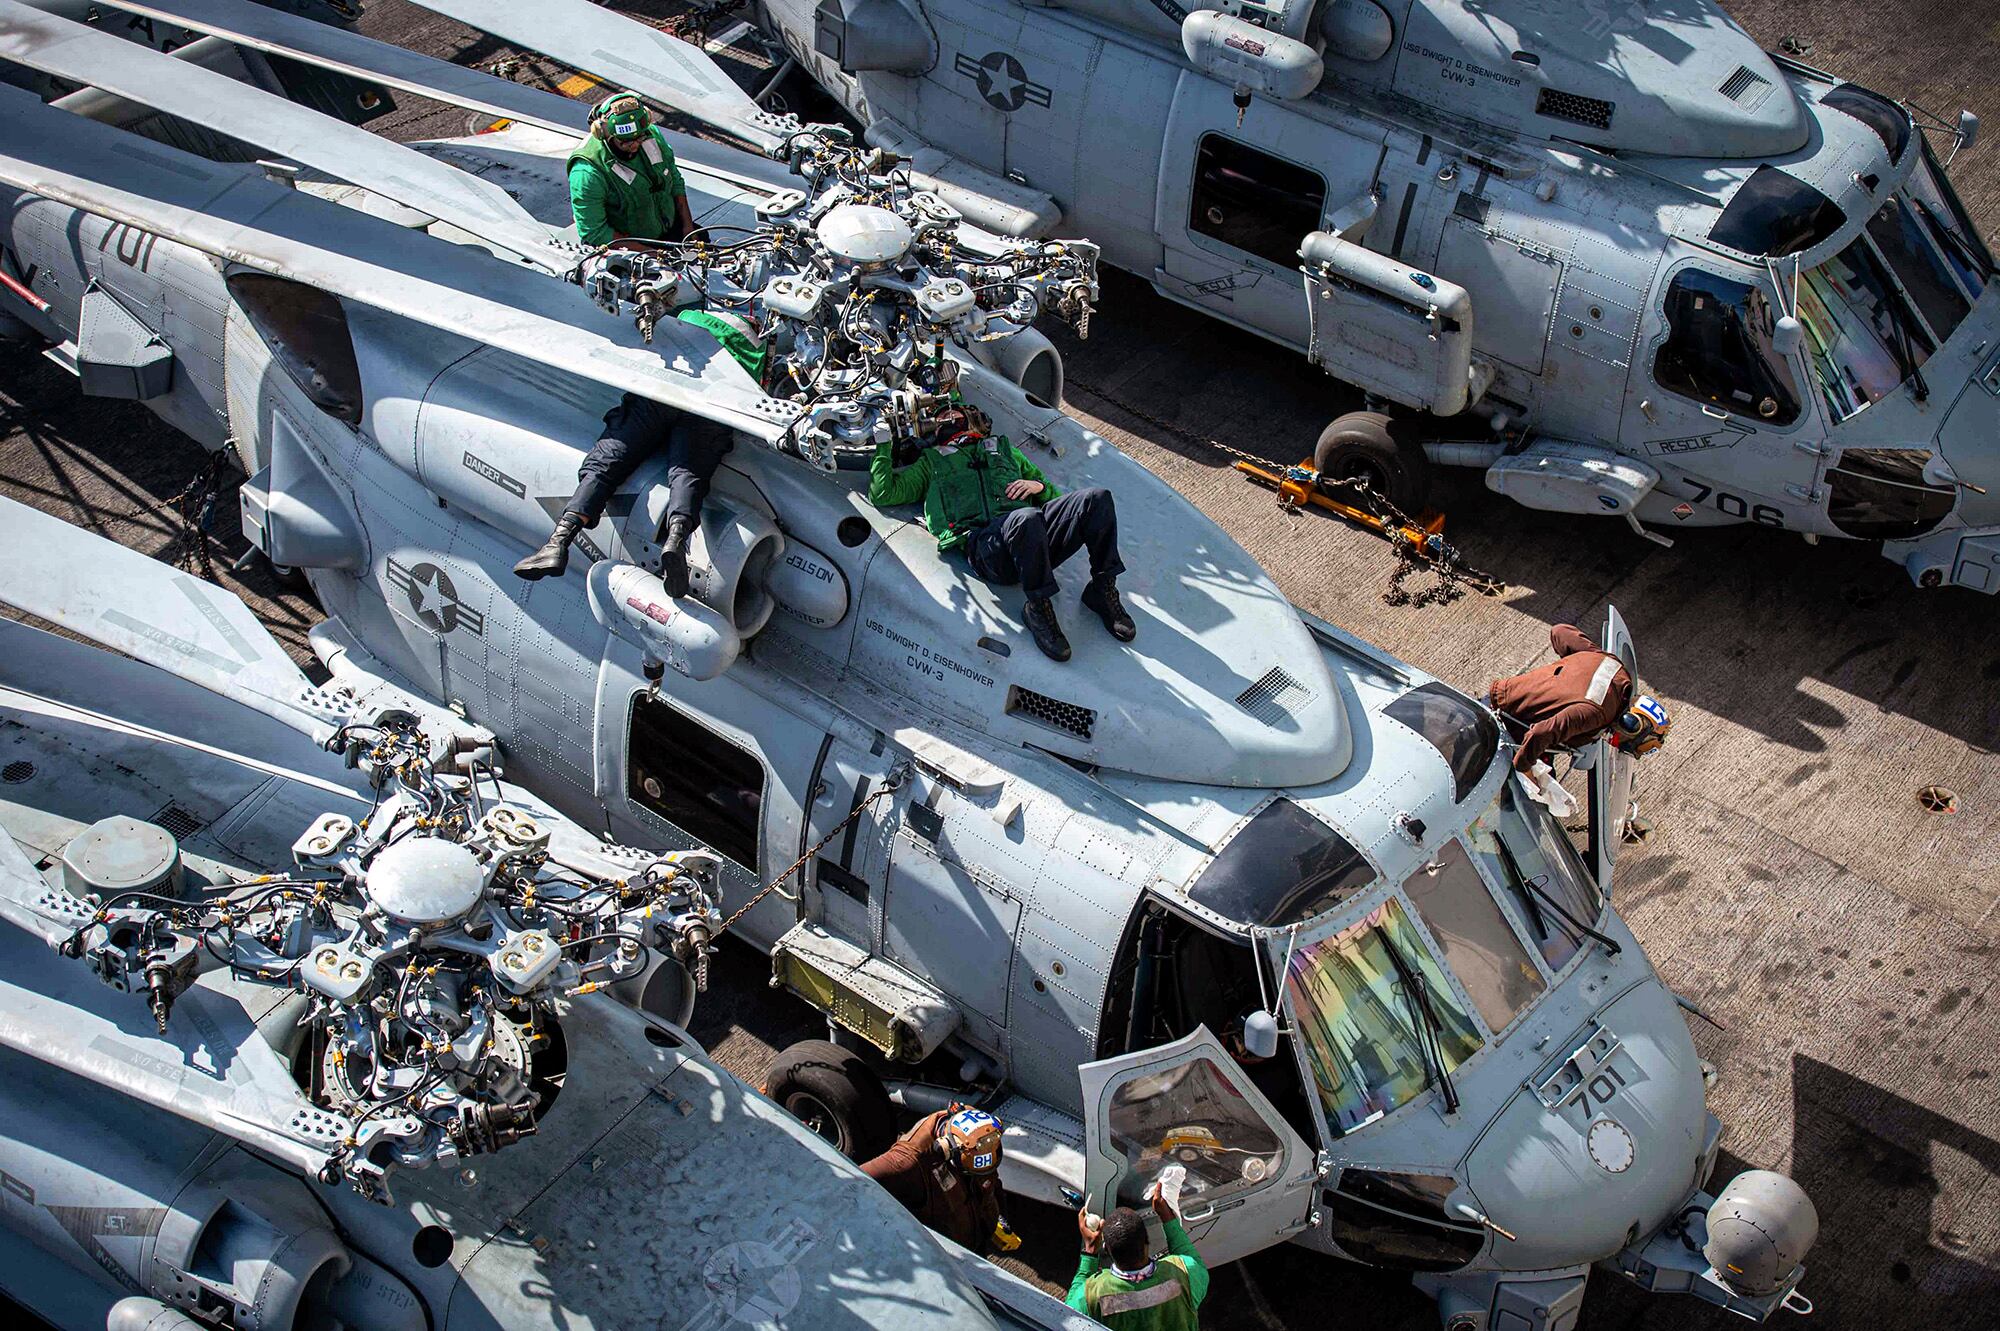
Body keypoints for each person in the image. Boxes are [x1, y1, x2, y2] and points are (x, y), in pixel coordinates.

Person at [513, 307, 767, 593]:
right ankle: (676, 539)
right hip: (709, 411)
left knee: (607, 462)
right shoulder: (755, 350)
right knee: (688, 474)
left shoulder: (693, 318)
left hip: (663, 393)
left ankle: (558, 541)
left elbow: (657, 345)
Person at [868, 408, 1134, 662]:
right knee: (1026, 519)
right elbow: (883, 493)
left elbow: (1053, 498)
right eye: (941, 417)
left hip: (1033, 542)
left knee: (1097, 499)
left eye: (953, 412)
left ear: (971, 418)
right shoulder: (930, 463)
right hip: (988, 551)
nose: (947, 417)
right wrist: (883, 444)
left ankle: (1102, 588)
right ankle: (1038, 608)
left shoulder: (1005, 450)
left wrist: (1037, 486)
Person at [1487, 624, 1672, 784]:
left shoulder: (1615, 668)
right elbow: (1541, 732)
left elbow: (1560, 631)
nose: (1614, 742)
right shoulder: (1595, 713)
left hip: (1507, 695)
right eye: (1622, 742)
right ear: (1628, 724)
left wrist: (1567, 675)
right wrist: (1525, 769)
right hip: (1505, 721)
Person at [858, 1105, 1020, 1257]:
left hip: (974, 1245)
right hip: (946, 1257)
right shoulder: (908, 1160)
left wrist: (998, 1216)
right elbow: (854, 1181)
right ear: (948, 1150)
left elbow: (992, 1182)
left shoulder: (979, 1129)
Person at [1067, 1182, 1209, 1329]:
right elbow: (1190, 1257)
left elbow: (1069, 1313)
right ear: (1147, 1242)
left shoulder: (1091, 1295)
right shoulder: (1186, 1274)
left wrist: (1089, 1252)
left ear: (1107, 1250)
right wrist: (1166, 1216)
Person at [567, 91, 694, 248]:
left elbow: (675, 180)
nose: (634, 146)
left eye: (639, 138)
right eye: (625, 142)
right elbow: (594, 232)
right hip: (630, 249)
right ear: (604, 134)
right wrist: (652, 255)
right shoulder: (587, 173)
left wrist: (688, 229)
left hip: (669, 232)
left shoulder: (650, 134)